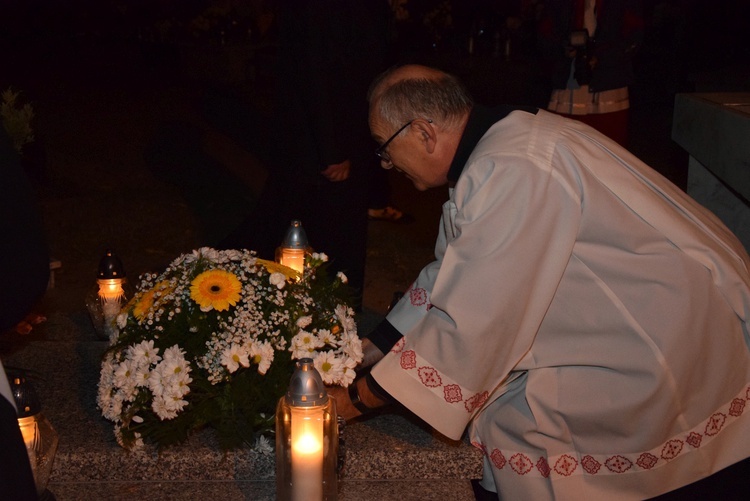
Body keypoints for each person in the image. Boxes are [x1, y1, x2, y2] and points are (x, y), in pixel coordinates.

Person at [328, 64, 750, 499]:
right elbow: (454, 271)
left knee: (521, 430)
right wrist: (367, 350)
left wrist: (347, 404)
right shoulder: (502, 143)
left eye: (384, 147)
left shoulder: (512, 169)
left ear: (423, 132)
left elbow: (474, 324)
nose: (385, 163)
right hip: (643, 310)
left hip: (656, 339)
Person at [219, 0, 390, 306]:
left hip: (339, 133)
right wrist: (332, 149)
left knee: (306, 227)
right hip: (327, 139)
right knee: (308, 230)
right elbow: (314, 71)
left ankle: (327, 310)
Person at [537, 0, 644, 147]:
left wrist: (601, 57)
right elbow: (545, 35)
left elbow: (634, 36)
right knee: (564, 146)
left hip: (609, 84)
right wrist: (564, 48)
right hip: (569, 82)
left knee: (608, 147)